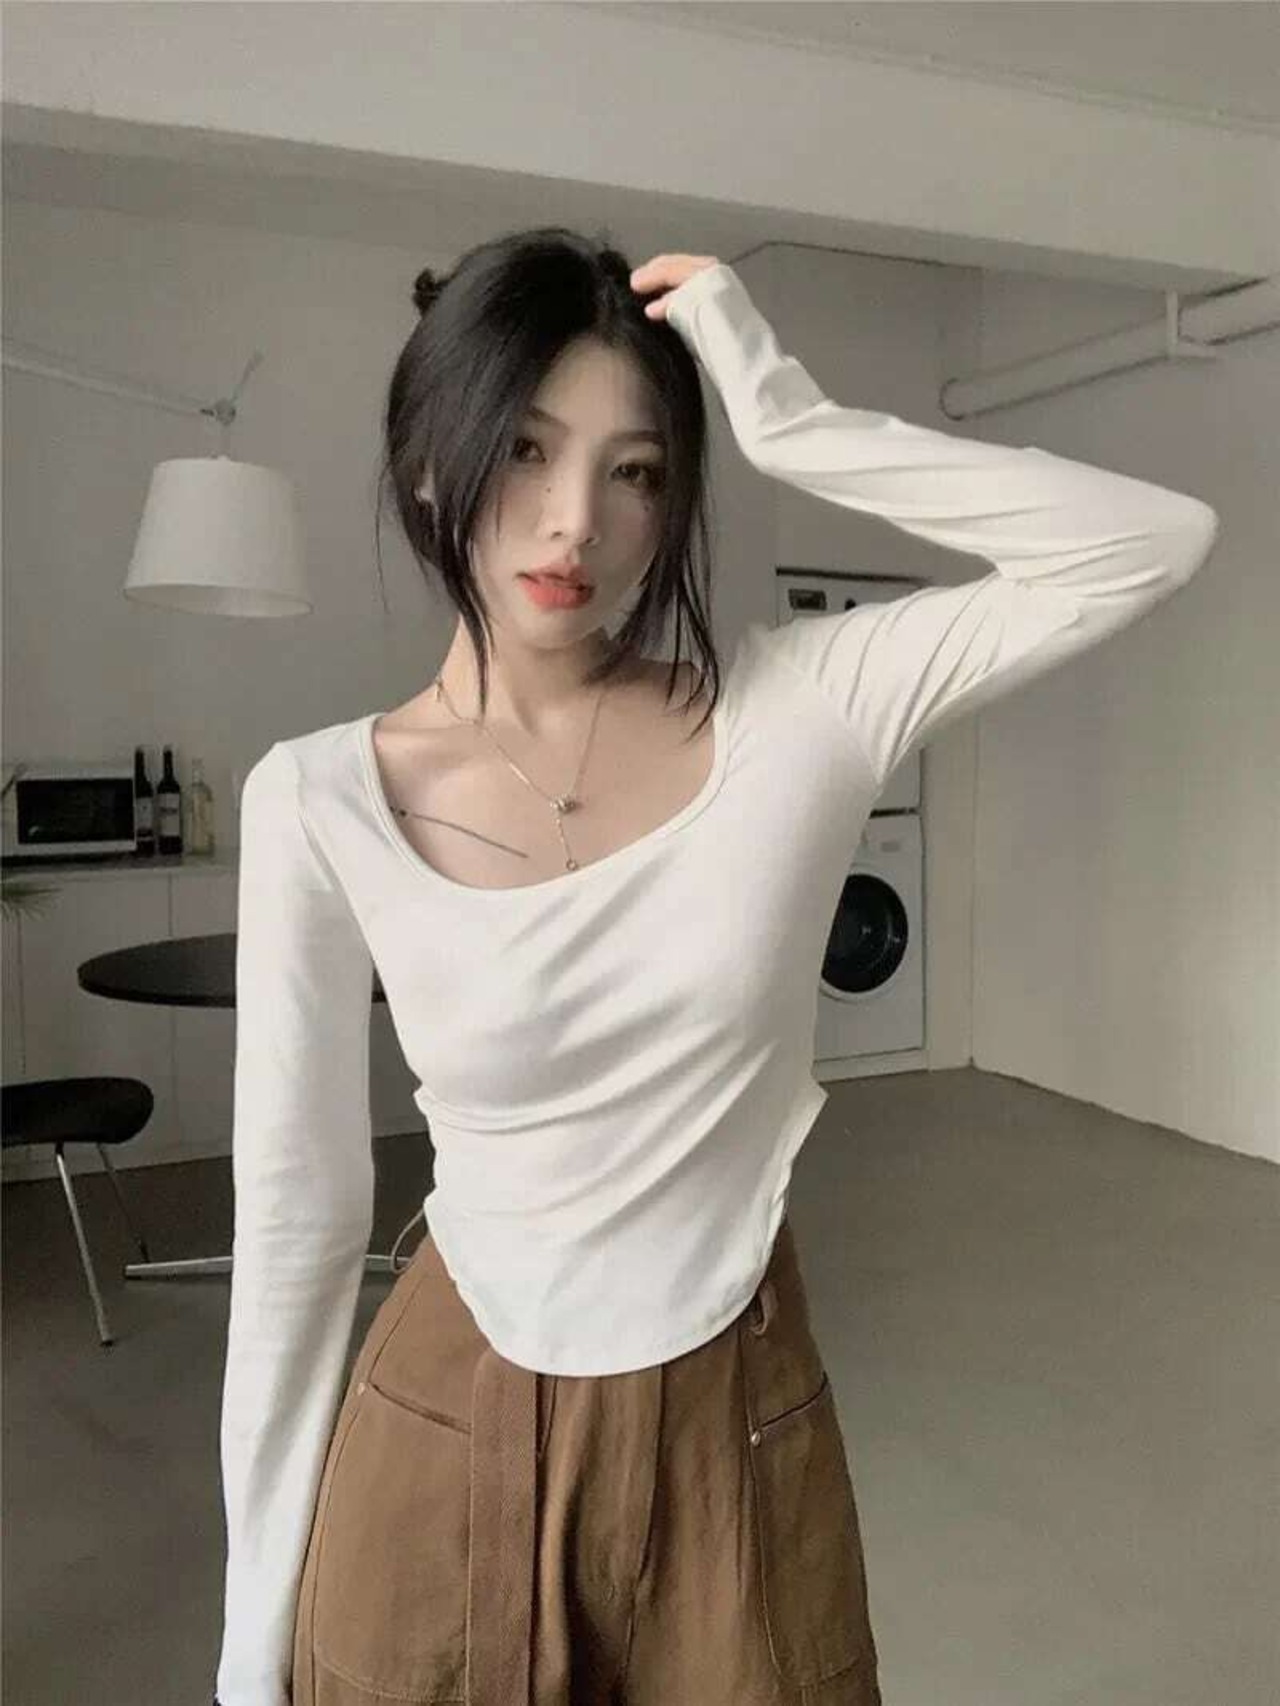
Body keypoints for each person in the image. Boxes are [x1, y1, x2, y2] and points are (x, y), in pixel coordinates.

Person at [212, 226, 1220, 1706]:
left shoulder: (805, 711)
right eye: (527, 450)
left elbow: (1150, 541)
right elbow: (299, 1223)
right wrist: (249, 1644)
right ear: (431, 463)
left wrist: (794, 420)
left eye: (635, 471)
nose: (575, 521)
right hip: (445, 1412)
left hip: (734, 1410)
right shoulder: (316, 798)